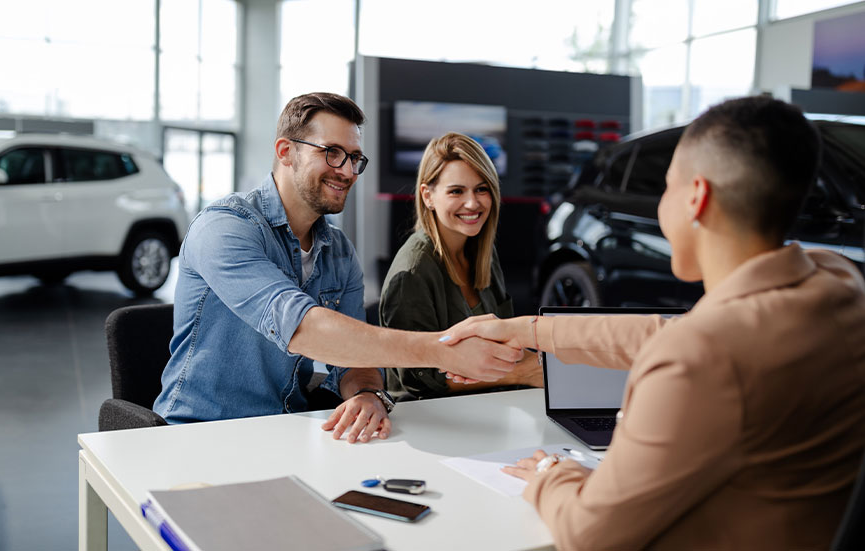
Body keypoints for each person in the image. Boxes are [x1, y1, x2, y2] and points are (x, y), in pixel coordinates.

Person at [443, 96, 865, 548]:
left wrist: (551, 473)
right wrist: (528, 330)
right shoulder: (838, 281)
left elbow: (590, 534)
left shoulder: (703, 359)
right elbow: (674, 331)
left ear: (696, 197)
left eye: (666, 187)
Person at [153, 92, 522, 444]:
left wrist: (366, 393)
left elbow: (355, 361)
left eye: (354, 158)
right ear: (286, 152)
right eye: (332, 153)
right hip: (200, 434)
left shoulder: (339, 251)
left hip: (285, 431)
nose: (346, 171)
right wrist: (442, 351)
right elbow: (303, 328)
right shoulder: (225, 228)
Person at [379, 132, 542, 400]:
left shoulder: (482, 253)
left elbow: (505, 339)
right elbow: (420, 381)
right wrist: (524, 373)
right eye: (456, 191)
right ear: (428, 196)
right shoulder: (412, 273)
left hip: (490, 406)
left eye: (482, 188)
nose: (473, 203)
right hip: (431, 421)